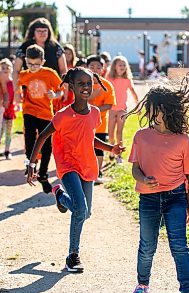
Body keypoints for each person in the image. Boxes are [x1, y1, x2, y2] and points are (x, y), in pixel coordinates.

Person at [26, 67, 124, 272]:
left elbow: (91, 138)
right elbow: (42, 136)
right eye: (81, 84)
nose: (86, 87)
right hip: (68, 165)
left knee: (85, 213)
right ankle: (73, 255)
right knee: (80, 209)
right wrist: (32, 164)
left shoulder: (95, 113)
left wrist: (111, 148)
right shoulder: (63, 115)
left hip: (87, 165)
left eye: (88, 84)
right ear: (71, 86)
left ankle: (60, 196)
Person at [126, 78, 189, 293]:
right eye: (152, 107)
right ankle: (142, 285)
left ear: (167, 109)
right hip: (148, 199)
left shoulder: (183, 140)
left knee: (179, 246)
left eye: (157, 107)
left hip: (176, 198)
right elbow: (134, 168)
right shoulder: (141, 136)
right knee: (147, 246)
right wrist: (143, 179)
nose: (153, 112)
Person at [16, 44, 63, 193]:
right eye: (30, 63)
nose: (33, 67)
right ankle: (30, 165)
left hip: (45, 113)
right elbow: (16, 85)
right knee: (30, 139)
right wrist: (18, 95)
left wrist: (54, 95)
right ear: (25, 61)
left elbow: (61, 90)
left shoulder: (49, 73)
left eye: (36, 64)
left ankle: (43, 174)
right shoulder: (24, 75)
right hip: (29, 111)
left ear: (42, 61)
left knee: (47, 145)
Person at [86, 55, 116, 184]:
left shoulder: (107, 85)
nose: (95, 69)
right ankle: (85, 171)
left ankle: (97, 172)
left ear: (103, 69)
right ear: (86, 68)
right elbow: (76, 102)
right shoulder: (82, 83)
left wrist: (95, 109)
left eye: (98, 67)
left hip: (100, 124)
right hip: (83, 124)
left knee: (99, 149)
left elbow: (109, 104)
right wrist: (90, 96)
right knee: (85, 147)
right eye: (92, 67)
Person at [106, 55, 138, 163]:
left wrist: (137, 105)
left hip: (122, 110)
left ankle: (119, 155)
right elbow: (104, 91)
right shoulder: (109, 78)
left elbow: (133, 92)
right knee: (110, 133)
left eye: (124, 65)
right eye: (120, 65)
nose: (122, 67)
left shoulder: (127, 80)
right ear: (114, 66)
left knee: (119, 133)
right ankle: (111, 150)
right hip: (111, 109)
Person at [0, 58, 16, 160]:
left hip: (10, 110)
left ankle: (7, 151)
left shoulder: (12, 83)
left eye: (7, 67)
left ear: (11, 69)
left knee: (8, 132)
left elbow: (15, 95)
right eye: (2, 67)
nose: (5, 69)